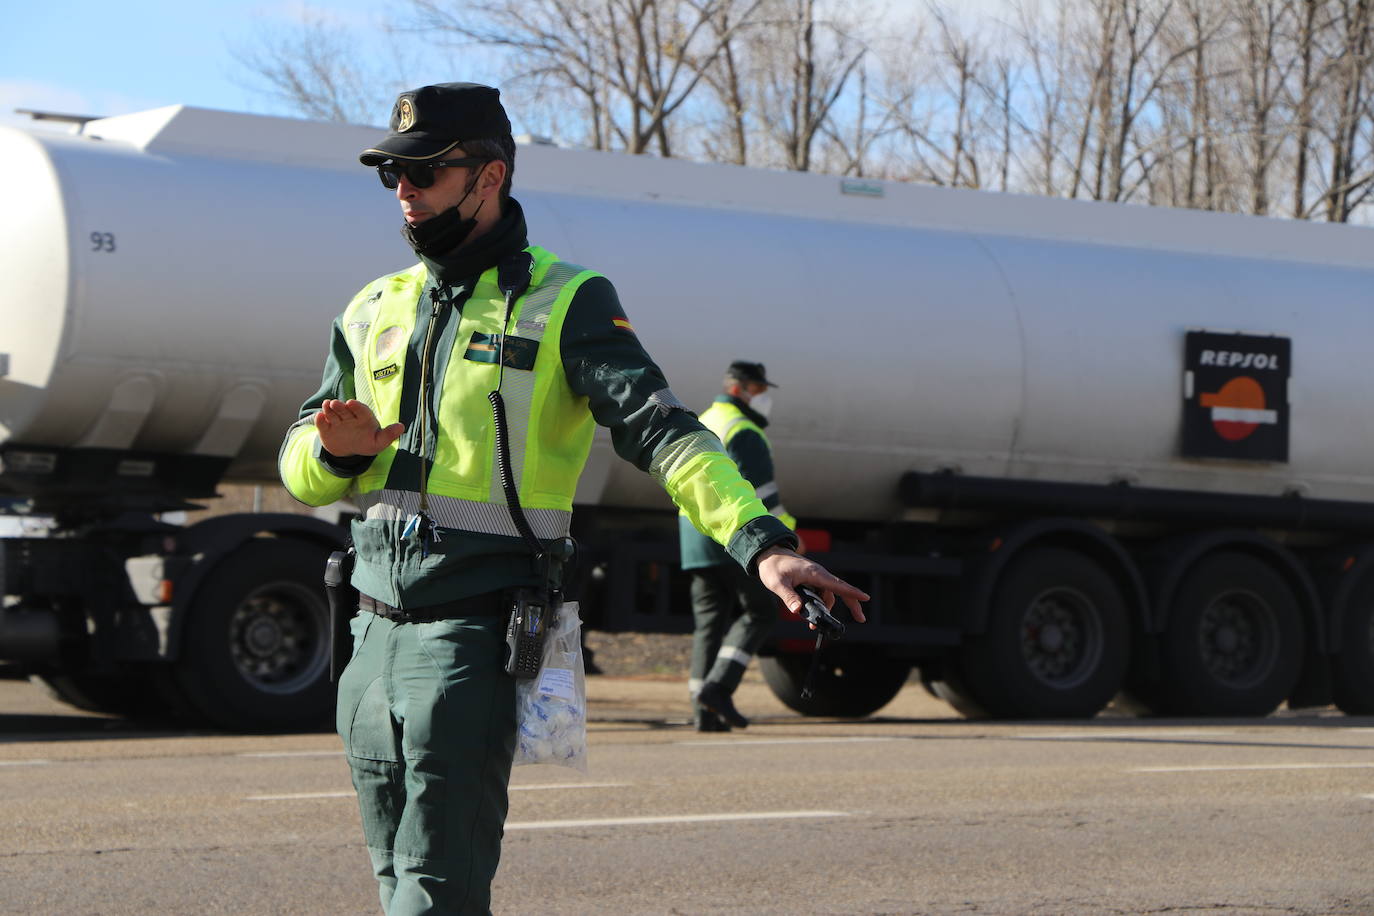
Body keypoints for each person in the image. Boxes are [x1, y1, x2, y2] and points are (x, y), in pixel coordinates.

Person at [277, 82, 868, 916]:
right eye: (392, 177)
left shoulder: (567, 300)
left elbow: (665, 433)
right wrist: (332, 454)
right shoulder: (374, 306)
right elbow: (297, 468)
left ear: (489, 177)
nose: (403, 192)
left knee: (434, 894)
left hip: (467, 635)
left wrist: (762, 543)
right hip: (366, 640)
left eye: (424, 174)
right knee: (392, 882)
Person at [679, 361, 798, 731]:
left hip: (695, 535)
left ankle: (703, 712)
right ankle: (718, 688)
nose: (764, 400)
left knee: (709, 624)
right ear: (739, 389)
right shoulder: (743, 430)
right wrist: (787, 535)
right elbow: (761, 494)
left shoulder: (701, 419)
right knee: (760, 612)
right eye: (759, 391)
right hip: (735, 536)